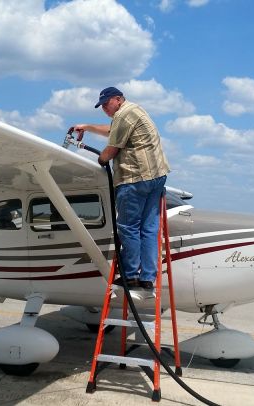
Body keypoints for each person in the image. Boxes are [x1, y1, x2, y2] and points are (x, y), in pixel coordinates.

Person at [74, 87, 170, 292]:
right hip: (156, 177)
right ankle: (147, 277)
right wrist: (87, 127)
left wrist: (101, 159)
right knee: (149, 228)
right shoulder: (133, 111)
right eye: (102, 107)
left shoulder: (123, 115)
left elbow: (110, 150)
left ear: (118, 99)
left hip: (135, 179)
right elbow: (112, 131)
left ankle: (130, 275)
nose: (105, 109)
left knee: (128, 227)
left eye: (107, 104)